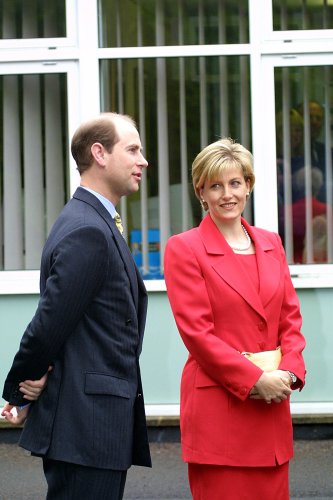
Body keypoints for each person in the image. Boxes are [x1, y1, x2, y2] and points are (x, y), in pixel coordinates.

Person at [1, 112, 151, 499]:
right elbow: (50, 322)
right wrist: (22, 386)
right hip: (87, 427)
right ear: (99, 153)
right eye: (132, 149)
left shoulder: (94, 220)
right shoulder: (88, 228)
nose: (143, 161)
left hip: (92, 425)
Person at [164, 137, 306, 500]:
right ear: (201, 192)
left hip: (271, 409)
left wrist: (290, 372)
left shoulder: (272, 242)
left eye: (235, 183)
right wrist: (255, 379)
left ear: (249, 186)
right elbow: (198, 334)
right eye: (215, 185)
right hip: (222, 414)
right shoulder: (185, 248)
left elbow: (290, 320)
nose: (227, 194)